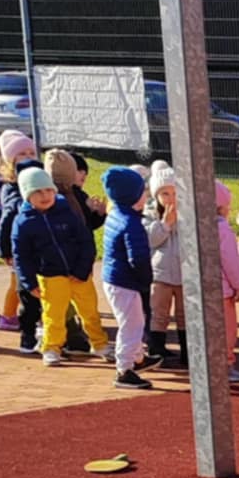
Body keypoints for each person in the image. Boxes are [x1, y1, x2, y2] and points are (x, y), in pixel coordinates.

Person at [12, 165, 108, 369]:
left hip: (78, 275)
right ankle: (51, 348)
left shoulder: (67, 212)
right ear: (27, 195)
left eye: (49, 190)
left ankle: (100, 344)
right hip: (50, 276)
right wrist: (29, 282)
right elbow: (21, 255)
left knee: (89, 311)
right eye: (38, 192)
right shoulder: (23, 222)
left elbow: (85, 241)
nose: (45, 196)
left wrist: (82, 270)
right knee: (53, 315)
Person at [101, 167, 155, 390]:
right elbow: (138, 258)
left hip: (115, 278)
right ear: (132, 196)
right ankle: (124, 369)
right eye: (143, 191)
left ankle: (138, 358)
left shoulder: (116, 214)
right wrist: (146, 279)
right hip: (125, 281)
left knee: (134, 320)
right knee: (132, 324)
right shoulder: (131, 223)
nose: (146, 194)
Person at [0, 130, 38, 339]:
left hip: (34, 242)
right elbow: (6, 220)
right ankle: (9, 316)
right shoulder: (11, 188)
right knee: (19, 283)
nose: (28, 156)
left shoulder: (37, 181)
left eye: (31, 152)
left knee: (24, 281)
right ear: (10, 161)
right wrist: (4, 249)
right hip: (17, 244)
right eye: (22, 153)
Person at [144, 163, 186, 369]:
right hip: (160, 274)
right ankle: (156, 350)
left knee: (185, 314)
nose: (171, 198)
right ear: (156, 195)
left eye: (175, 193)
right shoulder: (150, 215)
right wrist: (165, 224)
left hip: (184, 274)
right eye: (165, 193)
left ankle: (188, 352)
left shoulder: (188, 214)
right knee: (159, 313)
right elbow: (150, 240)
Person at [213, 182, 239, 381]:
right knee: (227, 330)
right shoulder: (223, 230)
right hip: (223, 289)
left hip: (199, 289)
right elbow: (230, 260)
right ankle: (225, 364)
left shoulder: (193, 226)